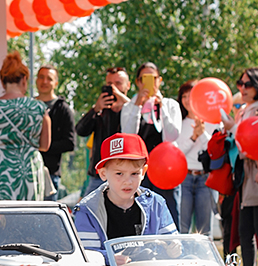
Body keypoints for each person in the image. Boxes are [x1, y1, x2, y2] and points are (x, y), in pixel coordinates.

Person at [73, 133, 178, 265]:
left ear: (144, 172)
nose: (127, 181)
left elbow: (173, 244)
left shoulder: (156, 205)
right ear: (103, 173)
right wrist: (108, 258)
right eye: (119, 173)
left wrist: (174, 249)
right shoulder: (88, 210)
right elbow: (85, 255)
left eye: (134, 173)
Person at [0, 52, 50, 201]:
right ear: (24, 79)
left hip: (0, 168)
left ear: (2, 81)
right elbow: (44, 145)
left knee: (0, 219)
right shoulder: (39, 108)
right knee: (29, 218)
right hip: (29, 167)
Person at [227, 67, 258, 266]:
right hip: (245, 173)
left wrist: (233, 128)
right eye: (241, 83)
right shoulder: (245, 109)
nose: (242, 88)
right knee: (245, 228)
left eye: (248, 84)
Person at [122, 63, 183, 223]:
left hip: (166, 168)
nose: (150, 82)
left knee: (170, 213)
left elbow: (172, 136)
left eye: (154, 78)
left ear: (160, 80)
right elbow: (128, 135)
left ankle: (172, 247)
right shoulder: (129, 107)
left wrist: (161, 106)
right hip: (140, 169)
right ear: (138, 82)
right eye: (145, 78)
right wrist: (138, 105)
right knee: (141, 214)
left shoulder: (170, 105)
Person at [76, 66, 132, 195]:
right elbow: (80, 130)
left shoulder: (132, 110)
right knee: (86, 213)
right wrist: (96, 109)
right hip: (100, 176)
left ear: (128, 85)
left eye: (118, 83)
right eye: (109, 84)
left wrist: (122, 99)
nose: (113, 88)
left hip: (126, 177)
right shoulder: (101, 111)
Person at [175, 80, 215, 235]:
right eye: (183, 96)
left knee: (205, 229)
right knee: (182, 227)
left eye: (190, 95)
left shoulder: (212, 121)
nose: (187, 100)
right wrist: (193, 137)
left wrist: (203, 134)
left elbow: (213, 152)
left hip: (206, 178)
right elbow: (177, 153)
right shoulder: (179, 122)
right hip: (184, 178)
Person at [34, 65, 76, 200]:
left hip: (50, 175)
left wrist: (43, 146)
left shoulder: (64, 109)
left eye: (49, 78)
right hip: (27, 173)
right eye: (41, 77)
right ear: (36, 80)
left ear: (56, 83)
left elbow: (70, 143)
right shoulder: (28, 106)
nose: (44, 81)